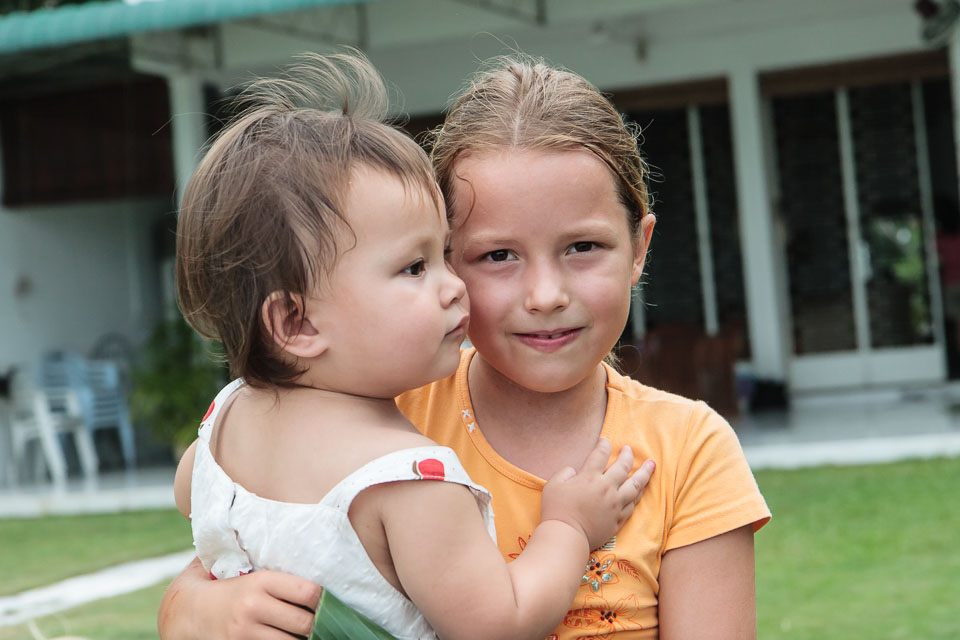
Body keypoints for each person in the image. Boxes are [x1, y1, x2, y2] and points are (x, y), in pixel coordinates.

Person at [159, 55, 771, 640]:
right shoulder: (385, 417)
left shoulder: (687, 450)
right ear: (449, 255)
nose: (546, 295)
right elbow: (227, 550)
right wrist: (196, 612)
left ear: (639, 247)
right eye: (497, 256)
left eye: (583, 247)